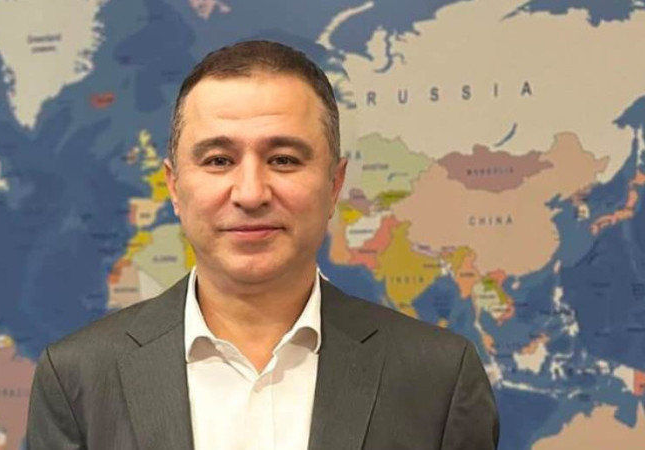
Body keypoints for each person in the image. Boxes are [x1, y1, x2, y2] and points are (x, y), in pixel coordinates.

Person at [26, 40, 499, 450]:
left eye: (284, 159)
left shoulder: (438, 378)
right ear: (174, 187)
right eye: (218, 160)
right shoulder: (77, 378)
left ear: (334, 184)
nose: (251, 193)